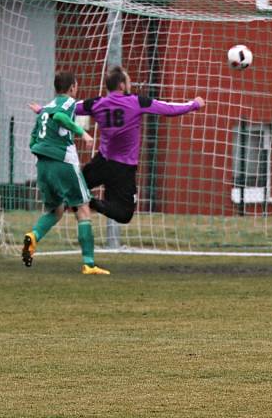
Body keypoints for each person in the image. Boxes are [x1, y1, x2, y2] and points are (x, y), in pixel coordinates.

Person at [31, 66, 205, 224]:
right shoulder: (137, 102)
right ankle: (92, 203)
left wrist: (43, 110)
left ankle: (59, 205)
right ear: (122, 85)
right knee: (124, 214)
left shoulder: (97, 103)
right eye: (128, 81)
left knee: (74, 190)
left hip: (101, 163)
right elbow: (169, 109)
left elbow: (68, 107)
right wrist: (194, 104)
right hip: (123, 168)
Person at [22, 71, 110, 275]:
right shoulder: (69, 103)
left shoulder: (46, 108)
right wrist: (83, 133)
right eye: (76, 86)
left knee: (56, 210)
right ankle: (89, 264)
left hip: (43, 164)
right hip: (63, 162)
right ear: (72, 87)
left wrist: (43, 150)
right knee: (82, 207)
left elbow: (33, 139)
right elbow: (61, 116)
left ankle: (33, 237)